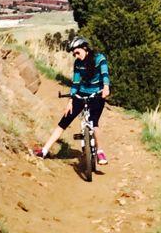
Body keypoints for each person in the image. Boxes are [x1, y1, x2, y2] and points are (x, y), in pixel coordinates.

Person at [33, 36, 110, 165]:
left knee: (93, 123)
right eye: (74, 54)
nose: (76, 56)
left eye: (77, 52)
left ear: (85, 48)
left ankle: (100, 151)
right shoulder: (77, 64)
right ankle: (44, 150)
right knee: (64, 120)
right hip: (80, 94)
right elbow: (75, 83)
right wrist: (70, 101)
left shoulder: (99, 58)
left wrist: (106, 88)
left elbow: (105, 74)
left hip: (97, 95)